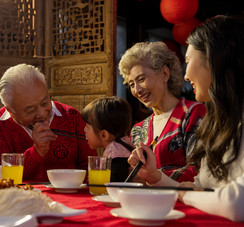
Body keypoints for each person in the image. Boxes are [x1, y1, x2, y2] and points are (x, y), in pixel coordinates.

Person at [128, 15, 244, 221]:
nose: (185, 75)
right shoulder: (219, 123)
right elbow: (200, 188)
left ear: (214, 59)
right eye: (130, 84)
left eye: (188, 61)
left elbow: (234, 202)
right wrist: (155, 177)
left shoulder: (194, 113)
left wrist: (186, 194)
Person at [0, 64, 97, 182]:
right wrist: (36, 152)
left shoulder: (71, 116)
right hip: (18, 199)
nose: (41, 114)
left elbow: (91, 166)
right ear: (10, 111)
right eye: (30, 110)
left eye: (45, 103)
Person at [118, 41, 206, 182]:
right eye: (132, 84)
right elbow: (136, 176)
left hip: (183, 201)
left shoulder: (192, 112)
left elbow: (199, 171)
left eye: (141, 79)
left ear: (164, 74)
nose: (137, 90)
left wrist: (153, 176)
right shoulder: (138, 129)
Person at [81, 96, 133, 182]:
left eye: (87, 127)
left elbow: (115, 184)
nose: (84, 130)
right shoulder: (123, 145)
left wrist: (97, 180)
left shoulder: (116, 153)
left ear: (104, 135)